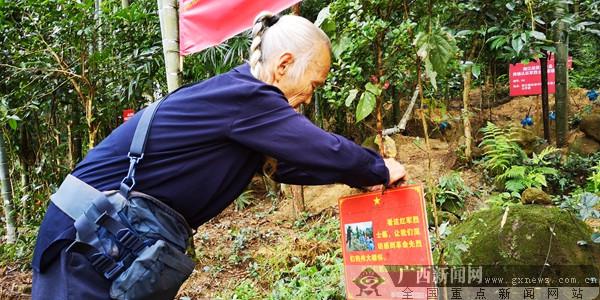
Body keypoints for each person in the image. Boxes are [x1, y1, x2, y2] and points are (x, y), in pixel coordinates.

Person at [31, 13, 407, 299]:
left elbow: (290, 165)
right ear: (284, 64)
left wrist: (361, 176)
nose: (309, 98)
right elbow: (320, 146)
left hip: (111, 236)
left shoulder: (243, 107)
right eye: (313, 85)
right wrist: (377, 166)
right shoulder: (247, 97)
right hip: (87, 236)